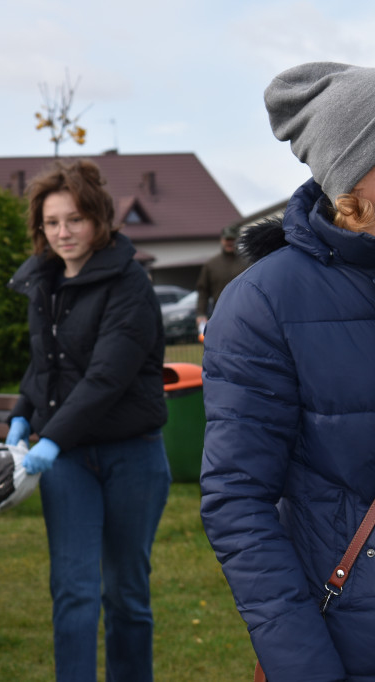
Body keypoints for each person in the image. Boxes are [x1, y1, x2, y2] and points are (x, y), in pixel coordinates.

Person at [200, 62, 375, 682]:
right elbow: (237, 500)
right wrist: (305, 670)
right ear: (350, 177)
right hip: (351, 640)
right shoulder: (262, 304)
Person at [4, 160, 170, 682]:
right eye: (52, 223)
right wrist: (20, 414)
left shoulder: (130, 285)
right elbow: (45, 363)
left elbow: (106, 377)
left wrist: (48, 438)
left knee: (125, 592)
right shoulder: (44, 284)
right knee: (73, 591)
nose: (63, 232)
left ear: (98, 219)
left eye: (74, 219)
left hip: (132, 455)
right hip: (70, 461)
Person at [194, 223, 248, 329]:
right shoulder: (211, 265)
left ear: (237, 240)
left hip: (245, 315)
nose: (229, 242)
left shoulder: (248, 262)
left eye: (232, 239)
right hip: (220, 315)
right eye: (227, 239)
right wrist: (201, 313)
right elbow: (203, 291)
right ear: (222, 240)